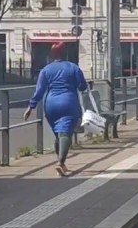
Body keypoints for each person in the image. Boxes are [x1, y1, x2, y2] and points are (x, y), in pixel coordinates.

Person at [24, 42, 89, 176]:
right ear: (65, 53)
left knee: (58, 134)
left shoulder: (46, 70)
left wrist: (31, 106)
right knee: (65, 133)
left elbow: (39, 90)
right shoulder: (73, 67)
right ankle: (60, 162)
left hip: (51, 104)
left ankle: (61, 164)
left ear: (52, 54)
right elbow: (82, 86)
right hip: (69, 102)